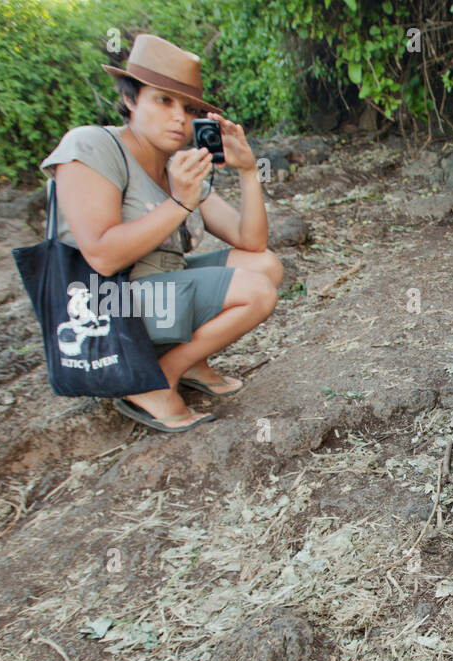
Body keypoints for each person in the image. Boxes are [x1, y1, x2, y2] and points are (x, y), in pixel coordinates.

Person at [40, 34, 283, 432]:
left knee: (265, 266)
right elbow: (102, 256)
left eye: (189, 108)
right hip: (105, 304)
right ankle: (153, 380)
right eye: (163, 100)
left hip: (158, 296)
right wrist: (180, 203)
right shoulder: (92, 146)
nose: (178, 118)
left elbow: (252, 242)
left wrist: (248, 171)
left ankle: (189, 362)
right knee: (256, 292)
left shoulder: (177, 164)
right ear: (131, 100)